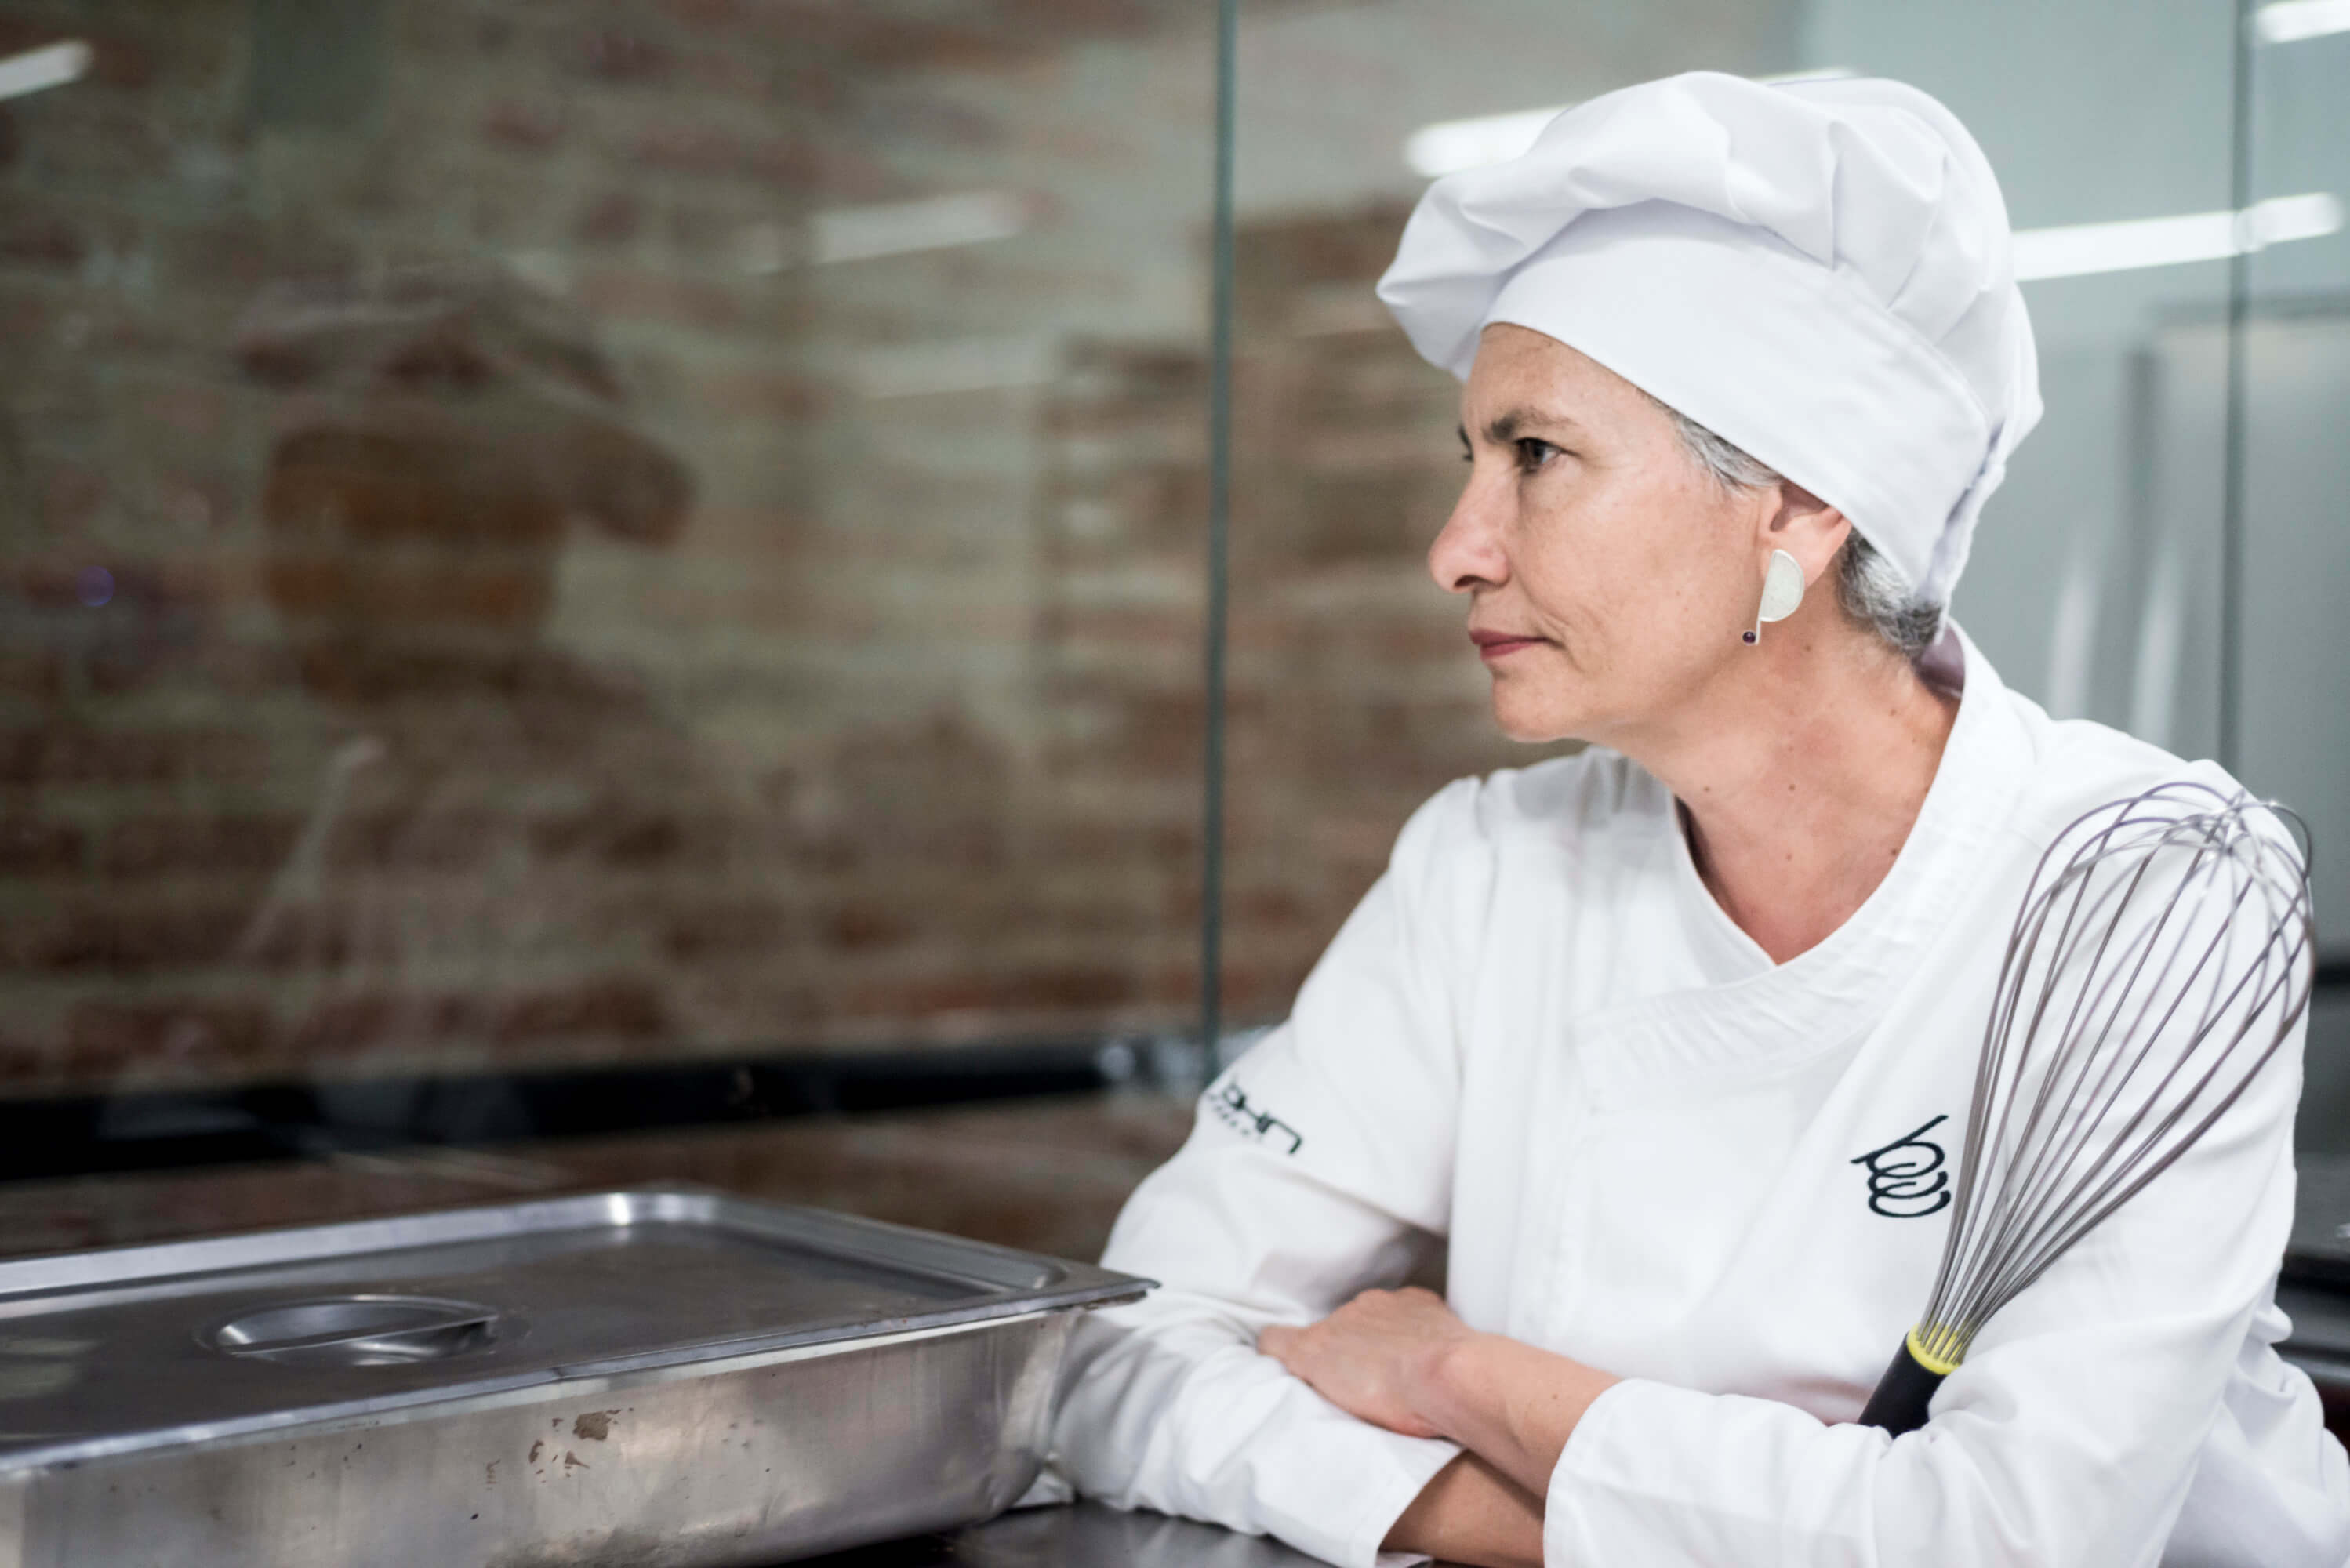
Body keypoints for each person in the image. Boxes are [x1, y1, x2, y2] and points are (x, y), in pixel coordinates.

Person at [1038, 71, 2350, 1567]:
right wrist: (1544, 1517)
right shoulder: (1486, 868)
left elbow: (2008, 1538)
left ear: (1796, 505)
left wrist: (1459, 1375)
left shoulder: (2148, 886)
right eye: (1470, 463)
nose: (1455, 549)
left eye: (1536, 457)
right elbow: (1119, 1358)